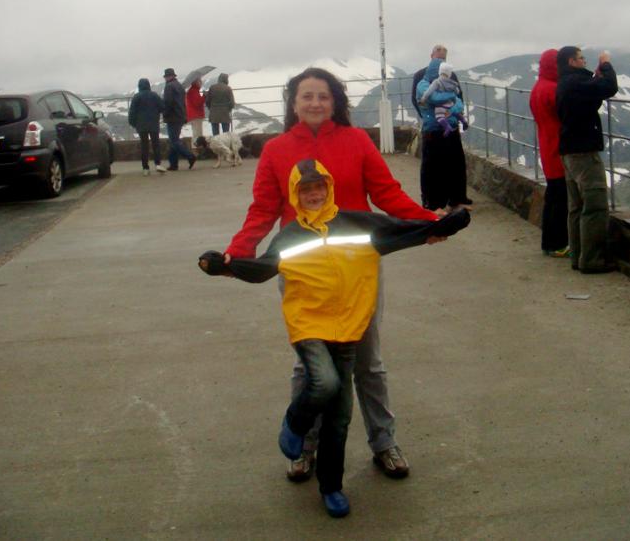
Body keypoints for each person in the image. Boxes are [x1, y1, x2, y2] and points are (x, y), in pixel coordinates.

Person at [200, 159, 469, 518]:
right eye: (305, 190)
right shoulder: (290, 236)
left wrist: (441, 225)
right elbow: (263, 269)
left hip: (349, 327)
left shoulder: (358, 224)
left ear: (328, 188)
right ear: (295, 195)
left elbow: (400, 230)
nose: (313, 195)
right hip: (309, 325)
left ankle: (331, 487)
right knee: (324, 383)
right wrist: (226, 266)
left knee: (339, 417)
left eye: (318, 187)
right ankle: (296, 423)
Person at [223, 66, 446, 482]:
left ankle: (384, 442)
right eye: (306, 96)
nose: (315, 103)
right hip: (302, 271)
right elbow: (263, 209)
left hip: (357, 268)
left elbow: (387, 193)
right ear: (294, 103)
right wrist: (238, 253)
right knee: (309, 367)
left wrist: (428, 222)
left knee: (368, 362)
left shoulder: (356, 141)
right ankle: (304, 448)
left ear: (335, 102)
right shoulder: (276, 150)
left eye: (323, 96)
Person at [556, 47, 618, 273]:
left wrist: (595, 77)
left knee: (576, 207)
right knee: (595, 205)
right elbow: (609, 88)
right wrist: (606, 65)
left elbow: (590, 99)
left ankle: (578, 256)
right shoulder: (575, 83)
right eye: (581, 58)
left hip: (569, 151)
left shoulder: (566, 83)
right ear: (572, 61)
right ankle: (592, 260)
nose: (584, 61)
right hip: (583, 152)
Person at [416, 58, 472, 211]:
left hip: (451, 128)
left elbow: (459, 103)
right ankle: (433, 204)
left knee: (455, 165)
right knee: (433, 169)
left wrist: (453, 107)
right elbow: (434, 98)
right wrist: (452, 97)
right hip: (433, 131)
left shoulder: (445, 84)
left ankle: (456, 199)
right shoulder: (423, 85)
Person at [529, 50, 569, 256]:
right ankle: (558, 244)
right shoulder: (552, 89)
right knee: (560, 200)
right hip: (558, 147)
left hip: (547, 146)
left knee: (553, 197)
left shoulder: (538, 87)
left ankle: (549, 243)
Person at [127, 78, 166, 175]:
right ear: (148, 85)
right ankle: (158, 164)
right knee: (155, 144)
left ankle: (145, 168)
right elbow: (162, 107)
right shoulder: (154, 95)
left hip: (141, 125)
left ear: (139, 86)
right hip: (153, 124)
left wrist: (133, 123)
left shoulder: (136, 97)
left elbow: (132, 112)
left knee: (144, 146)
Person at [419, 61, 468, 136]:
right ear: (449, 74)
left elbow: (429, 91)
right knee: (455, 112)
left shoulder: (437, 82)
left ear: (439, 71)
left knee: (439, 116)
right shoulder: (452, 83)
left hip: (441, 105)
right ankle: (463, 121)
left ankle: (447, 127)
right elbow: (457, 91)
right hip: (451, 103)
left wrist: (423, 98)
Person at [162, 68, 196, 171]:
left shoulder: (169, 87)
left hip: (173, 117)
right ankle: (173, 164)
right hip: (180, 116)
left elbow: (168, 102)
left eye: (166, 76)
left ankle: (190, 156)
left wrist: (164, 114)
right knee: (174, 140)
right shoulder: (179, 86)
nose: (166, 78)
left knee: (174, 140)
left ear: (168, 77)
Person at [185, 77, 206, 147]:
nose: (201, 82)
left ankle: (196, 147)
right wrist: (204, 96)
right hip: (196, 115)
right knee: (197, 134)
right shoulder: (194, 91)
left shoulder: (193, 90)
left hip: (193, 115)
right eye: (199, 81)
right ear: (196, 82)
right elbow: (197, 103)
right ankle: (196, 148)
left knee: (196, 133)